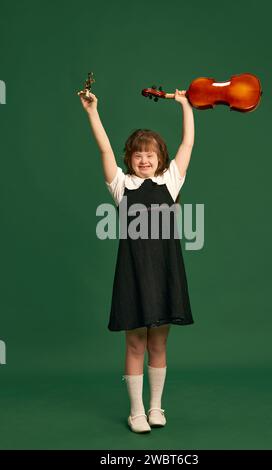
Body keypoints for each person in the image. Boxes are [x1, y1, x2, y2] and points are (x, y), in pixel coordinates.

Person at [78, 87, 195, 433]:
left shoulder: (170, 182)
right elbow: (103, 147)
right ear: (130, 158)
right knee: (135, 342)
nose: (144, 160)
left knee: (158, 342)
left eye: (151, 155)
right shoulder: (121, 186)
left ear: (161, 158)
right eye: (138, 155)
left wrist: (186, 105)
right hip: (133, 273)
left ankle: (156, 407)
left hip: (164, 273)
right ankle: (136, 412)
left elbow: (187, 145)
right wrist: (91, 111)